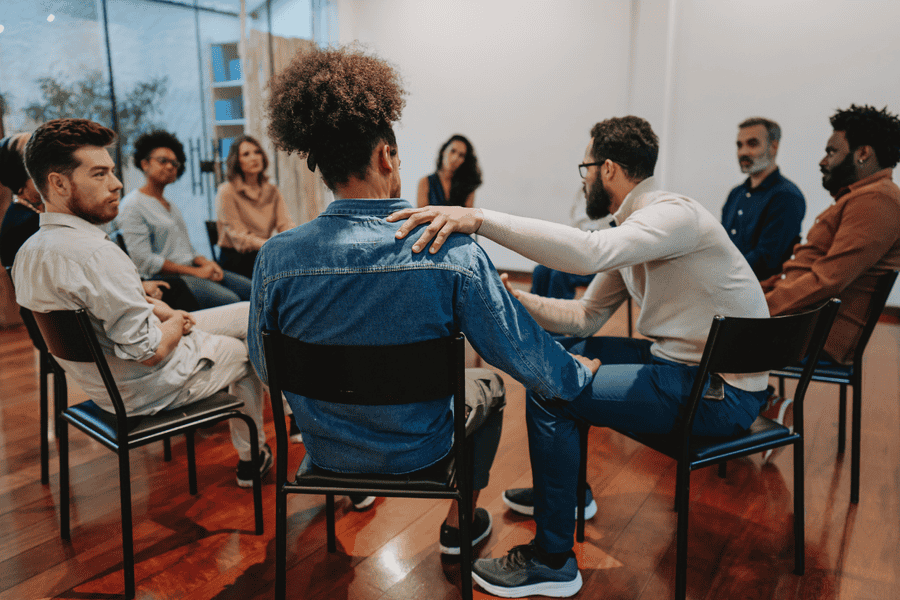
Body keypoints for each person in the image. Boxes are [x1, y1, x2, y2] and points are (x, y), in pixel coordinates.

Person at [389, 115, 771, 598]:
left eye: (585, 167)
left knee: (555, 388)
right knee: (560, 358)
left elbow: (589, 252)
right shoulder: (637, 225)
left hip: (720, 393)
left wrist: (480, 219)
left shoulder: (672, 214)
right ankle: (567, 496)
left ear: (607, 168)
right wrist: (519, 300)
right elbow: (586, 316)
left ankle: (552, 561)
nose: (585, 178)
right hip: (683, 368)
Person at [250, 45, 597, 557]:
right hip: (419, 450)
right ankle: (460, 523)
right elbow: (517, 351)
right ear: (385, 155)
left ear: (320, 169)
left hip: (326, 451)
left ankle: (357, 482)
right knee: (491, 385)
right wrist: (574, 370)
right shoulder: (449, 250)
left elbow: (264, 366)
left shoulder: (275, 259)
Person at [12, 118, 272, 488]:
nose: (117, 184)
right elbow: (149, 351)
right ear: (58, 183)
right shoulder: (96, 255)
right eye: (100, 174)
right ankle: (256, 457)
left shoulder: (28, 254)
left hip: (106, 384)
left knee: (251, 311)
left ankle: (292, 417)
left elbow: (99, 310)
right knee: (245, 349)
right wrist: (177, 324)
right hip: (146, 385)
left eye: (112, 172)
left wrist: (160, 310)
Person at [760, 104, 900, 425]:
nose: (823, 161)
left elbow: (827, 281)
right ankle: (755, 405)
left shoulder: (877, 201)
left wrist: (758, 309)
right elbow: (808, 269)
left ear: (863, 153)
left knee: (702, 334)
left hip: (815, 333)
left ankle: (751, 408)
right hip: (802, 320)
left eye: (831, 151)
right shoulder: (861, 197)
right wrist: (753, 292)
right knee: (701, 323)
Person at [117, 130, 251, 309]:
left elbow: (187, 249)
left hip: (191, 271)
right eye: (163, 161)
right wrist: (196, 272)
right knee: (232, 301)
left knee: (253, 290)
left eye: (174, 162)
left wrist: (208, 263)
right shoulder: (132, 205)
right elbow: (144, 261)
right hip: (168, 280)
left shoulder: (170, 205)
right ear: (145, 163)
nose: (171, 166)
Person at [721, 117, 806, 280]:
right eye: (740, 145)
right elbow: (722, 244)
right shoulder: (736, 194)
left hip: (762, 294)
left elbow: (767, 259)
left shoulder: (787, 196)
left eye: (752, 144)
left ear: (774, 147)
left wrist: (720, 274)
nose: (743, 152)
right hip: (727, 286)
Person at [215, 135, 295, 278]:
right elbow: (239, 238)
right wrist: (273, 245)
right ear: (237, 162)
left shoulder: (272, 190)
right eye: (246, 154)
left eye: (257, 152)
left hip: (264, 254)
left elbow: (286, 224)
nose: (254, 158)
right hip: (236, 261)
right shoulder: (226, 191)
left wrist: (294, 240)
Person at [417, 134, 482, 208]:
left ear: (464, 161)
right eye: (452, 151)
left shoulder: (468, 186)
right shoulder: (425, 182)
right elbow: (420, 216)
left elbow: (468, 217)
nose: (455, 158)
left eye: (461, 155)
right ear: (444, 151)